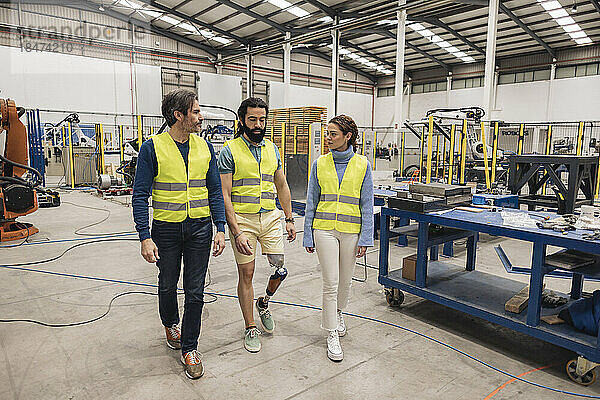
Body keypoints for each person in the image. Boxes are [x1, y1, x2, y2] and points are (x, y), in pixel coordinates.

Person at [132, 89, 226, 379]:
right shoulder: (152, 147)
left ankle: (190, 347)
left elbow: (214, 190)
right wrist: (144, 236)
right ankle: (170, 322)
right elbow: (139, 195)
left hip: (200, 228)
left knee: (195, 290)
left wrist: (220, 227)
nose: (201, 116)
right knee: (168, 283)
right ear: (179, 115)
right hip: (166, 229)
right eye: (196, 112)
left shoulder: (205, 147)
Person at [218, 97, 296, 353]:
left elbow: (282, 185)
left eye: (262, 119)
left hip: (271, 217)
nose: (258, 124)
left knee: (280, 268)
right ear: (242, 120)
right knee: (247, 273)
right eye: (252, 119)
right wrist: (235, 231)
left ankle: (264, 302)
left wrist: (289, 218)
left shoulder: (273, 149)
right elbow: (225, 195)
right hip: (243, 220)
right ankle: (250, 325)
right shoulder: (230, 150)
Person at [303, 115, 374, 362]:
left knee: (346, 282)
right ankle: (331, 332)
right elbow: (311, 201)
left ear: (348, 136)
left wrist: (366, 237)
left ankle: (339, 312)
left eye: (333, 134)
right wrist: (307, 235)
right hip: (324, 230)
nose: (328, 138)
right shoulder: (319, 164)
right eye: (327, 133)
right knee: (330, 283)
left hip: (351, 231)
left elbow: (367, 204)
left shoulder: (363, 165)